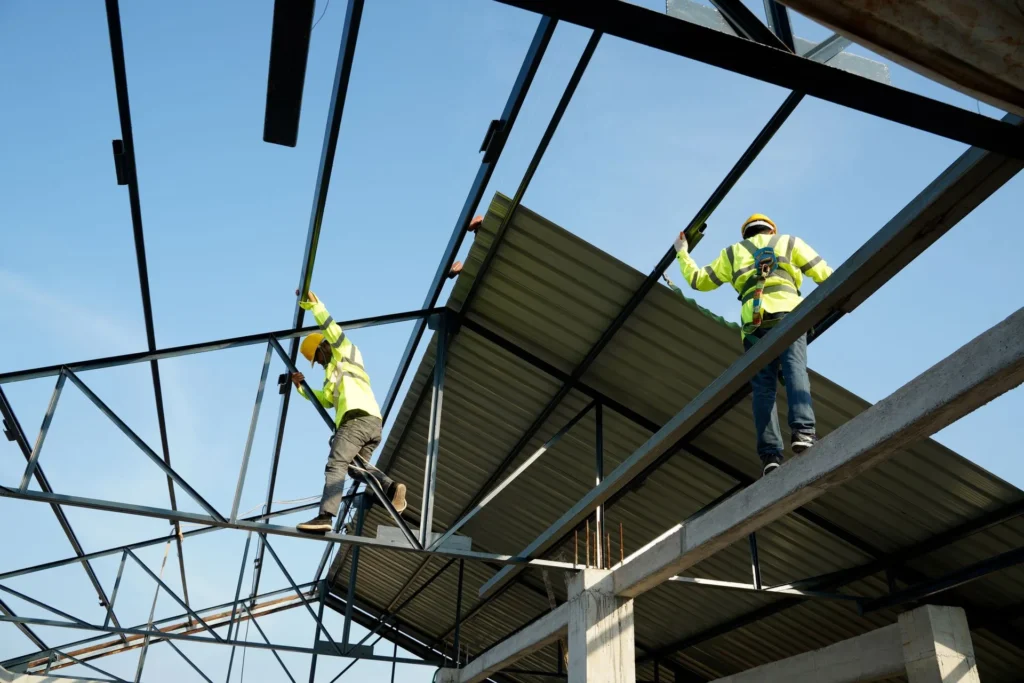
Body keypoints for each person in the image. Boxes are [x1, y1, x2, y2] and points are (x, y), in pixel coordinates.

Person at [673, 214, 832, 476]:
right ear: (771, 230)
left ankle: (770, 455)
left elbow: (699, 281)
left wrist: (683, 253)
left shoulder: (732, 253)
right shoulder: (790, 242)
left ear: (745, 233)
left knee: (763, 389)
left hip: (754, 325)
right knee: (794, 370)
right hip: (789, 314)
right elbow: (825, 275)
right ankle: (803, 431)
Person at [290, 290, 407, 533]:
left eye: (318, 358)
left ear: (323, 347)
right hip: (371, 423)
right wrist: (302, 388)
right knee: (355, 468)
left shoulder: (344, 351)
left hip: (356, 419)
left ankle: (325, 516)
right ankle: (391, 488)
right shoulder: (329, 375)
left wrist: (315, 306)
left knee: (336, 463)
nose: (319, 363)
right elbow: (326, 401)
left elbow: (332, 328)